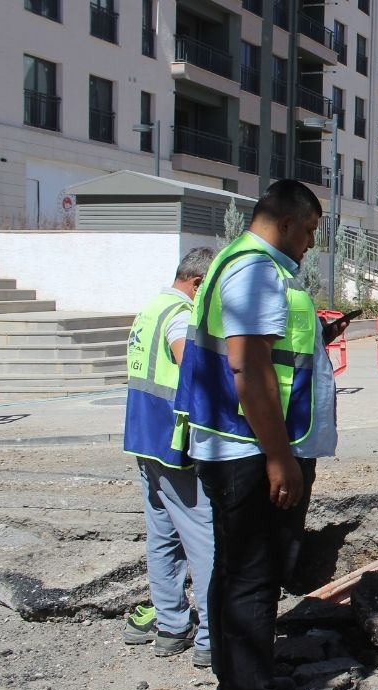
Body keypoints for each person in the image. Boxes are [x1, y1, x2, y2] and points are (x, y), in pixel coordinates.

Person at [173, 180, 351, 690]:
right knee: (254, 579)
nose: (310, 245)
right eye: (311, 232)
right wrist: (279, 458)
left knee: (234, 573)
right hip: (248, 451)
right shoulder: (255, 271)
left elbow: (265, 355)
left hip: (239, 446)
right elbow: (248, 369)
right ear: (290, 221)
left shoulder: (241, 263)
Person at [122, 246, 217, 667]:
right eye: (210, 288)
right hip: (172, 441)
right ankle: (213, 640)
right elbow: (187, 361)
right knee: (204, 539)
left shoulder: (151, 308)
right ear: (197, 283)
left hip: (143, 438)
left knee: (162, 537)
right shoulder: (181, 313)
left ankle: (171, 627)